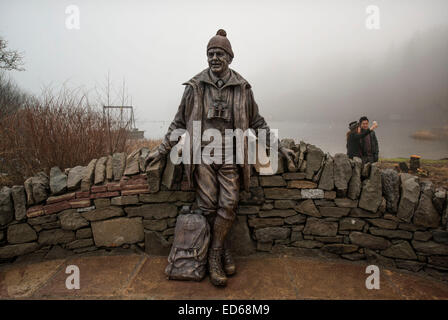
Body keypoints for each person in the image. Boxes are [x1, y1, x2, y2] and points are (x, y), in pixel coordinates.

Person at [144, 29, 295, 287]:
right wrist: (160, 150)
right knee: (208, 206)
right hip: (202, 155)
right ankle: (218, 254)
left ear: (230, 57)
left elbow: (257, 122)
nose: (214, 58)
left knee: (229, 203)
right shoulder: (195, 86)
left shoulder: (243, 88)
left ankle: (216, 248)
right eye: (210, 53)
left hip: (230, 154)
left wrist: (278, 147)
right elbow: (179, 121)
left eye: (219, 53)